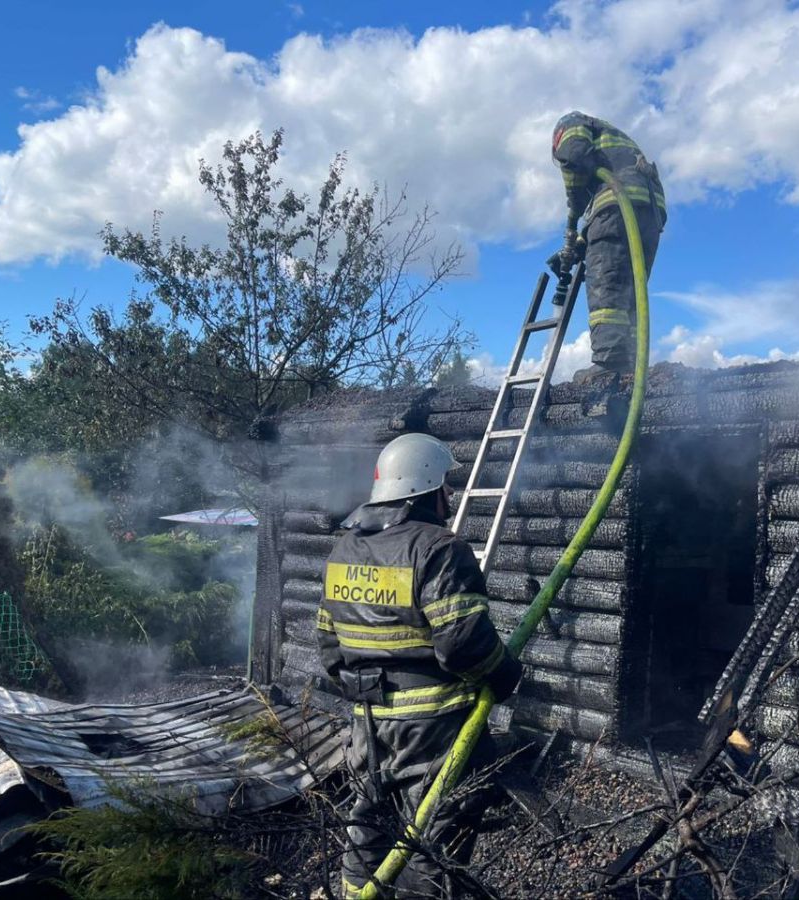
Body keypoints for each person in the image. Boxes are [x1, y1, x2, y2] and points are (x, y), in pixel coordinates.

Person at [318, 432, 522, 897]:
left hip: (365, 724)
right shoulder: (438, 549)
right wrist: (507, 674)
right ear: (426, 488)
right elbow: (464, 644)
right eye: (446, 485)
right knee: (434, 837)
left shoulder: (343, 551)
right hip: (430, 727)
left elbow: (328, 646)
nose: (450, 495)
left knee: (368, 827)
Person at [549, 111, 666, 383]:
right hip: (649, 212)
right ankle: (630, 367)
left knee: (607, 286)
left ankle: (609, 363)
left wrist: (573, 211)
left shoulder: (571, 124)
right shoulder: (611, 143)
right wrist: (580, 245)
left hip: (619, 201)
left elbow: (574, 157)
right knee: (631, 292)